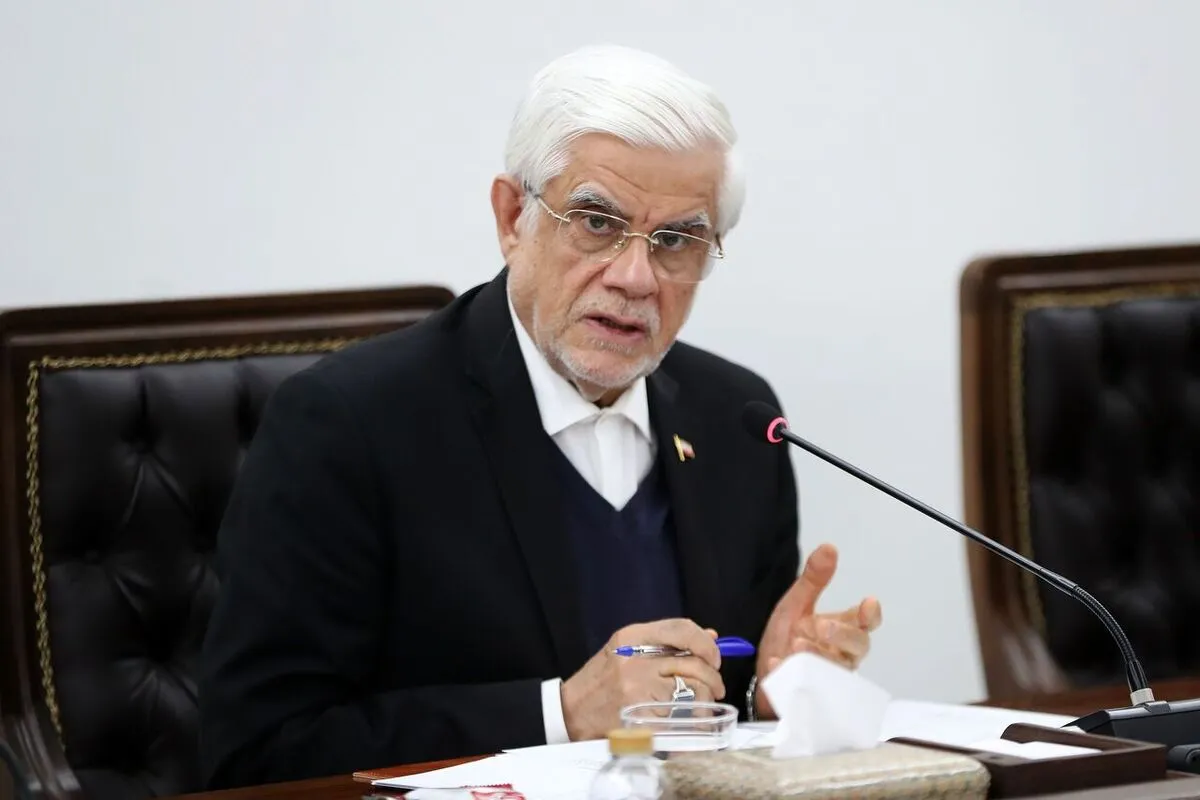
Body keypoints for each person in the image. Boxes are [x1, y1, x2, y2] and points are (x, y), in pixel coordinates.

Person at [198, 44, 882, 789]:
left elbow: (714, 703)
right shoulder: (349, 425)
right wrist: (561, 712)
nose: (634, 277)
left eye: (676, 241)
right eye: (596, 222)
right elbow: (260, 751)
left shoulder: (734, 420)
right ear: (512, 217)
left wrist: (772, 698)